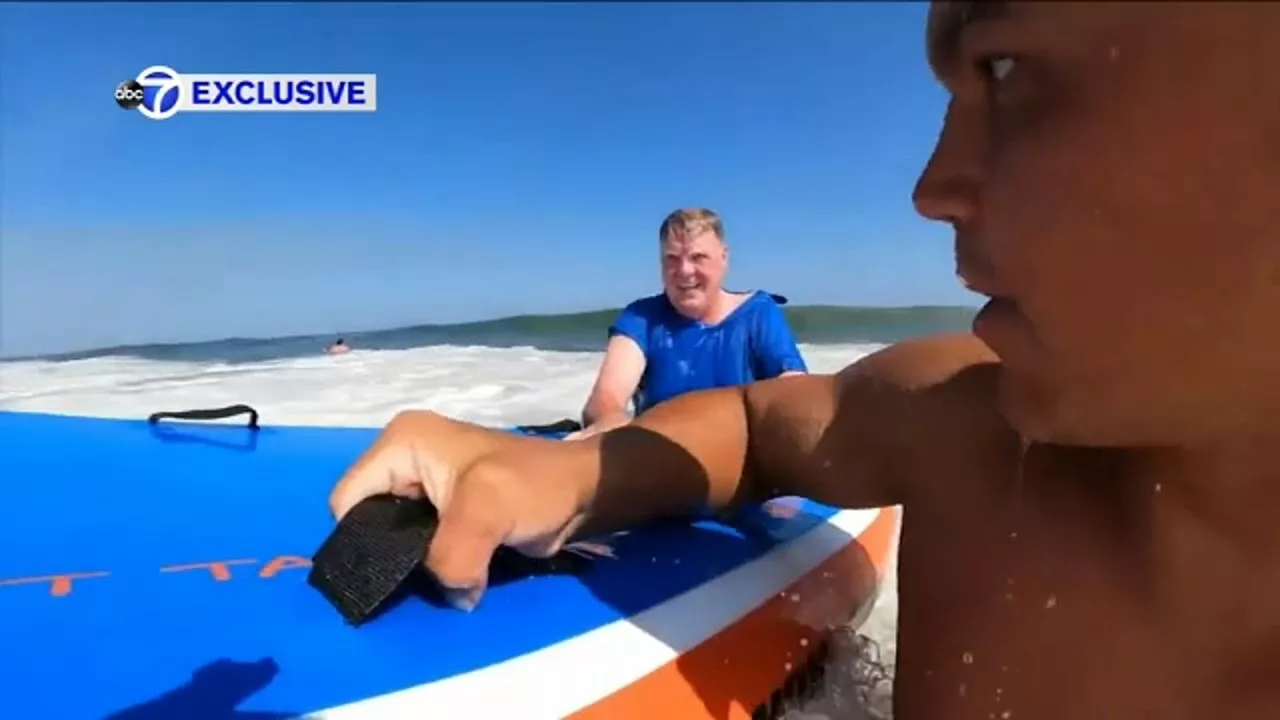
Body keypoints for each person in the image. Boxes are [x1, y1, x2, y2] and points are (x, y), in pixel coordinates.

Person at [328, 3, 1280, 718]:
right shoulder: (962, 428)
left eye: (1007, 67)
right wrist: (581, 470)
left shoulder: (768, 325)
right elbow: (754, 425)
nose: (932, 188)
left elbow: (774, 388)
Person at [570, 207, 807, 440]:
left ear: (724, 257)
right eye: (672, 259)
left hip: (740, 454)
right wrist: (612, 424)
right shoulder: (642, 318)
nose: (684, 271)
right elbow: (605, 399)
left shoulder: (758, 314)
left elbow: (793, 387)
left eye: (698, 257)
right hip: (659, 452)